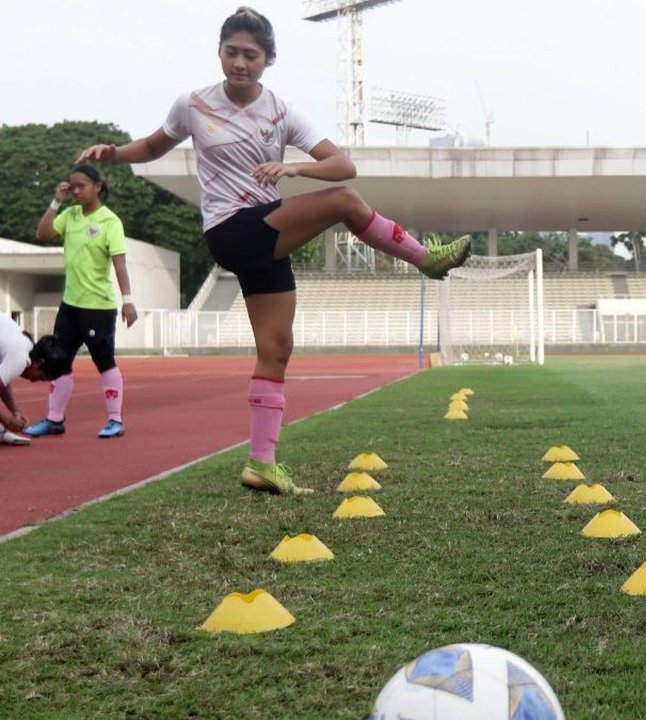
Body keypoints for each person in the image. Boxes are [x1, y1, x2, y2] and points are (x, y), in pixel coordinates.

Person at [77, 6, 472, 495]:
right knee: (346, 205)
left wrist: (293, 169)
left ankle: (261, 465)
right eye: (231, 52)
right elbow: (157, 145)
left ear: (269, 60)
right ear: (219, 52)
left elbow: (342, 164)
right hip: (229, 230)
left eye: (251, 55)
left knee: (276, 349)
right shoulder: (193, 104)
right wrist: (113, 153)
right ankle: (425, 260)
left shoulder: (282, 113)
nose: (240, 63)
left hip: (265, 233)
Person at [24, 164, 138, 440]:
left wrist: (128, 301)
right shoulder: (70, 214)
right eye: (72, 186)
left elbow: (119, 263)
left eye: (81, 186)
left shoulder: (110, 221)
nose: (76, 191)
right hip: (70, 304)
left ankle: (115, 420)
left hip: (98, 306)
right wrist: (56, 201)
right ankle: (54, 419)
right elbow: (42, 235)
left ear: (97, 186)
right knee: (57, 361)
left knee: (104, 361)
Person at [0, 315, 73, 446]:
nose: (33, 381)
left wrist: (15, 411)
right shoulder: (20, 358)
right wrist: (6, 421)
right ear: (39, 363)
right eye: (40, 377)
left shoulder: (24, 344)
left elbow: (3, 382)